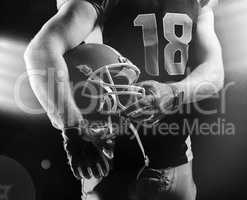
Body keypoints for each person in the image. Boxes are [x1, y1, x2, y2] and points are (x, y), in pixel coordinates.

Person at [24, 0, 224, 199]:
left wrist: (174, 92)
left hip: (177, 163)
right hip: (112, 166)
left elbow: (214, 71)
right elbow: (42, 50)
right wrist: (73, 124)